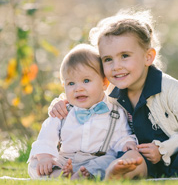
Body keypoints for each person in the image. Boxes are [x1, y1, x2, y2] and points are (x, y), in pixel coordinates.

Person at [49, 9, 178, 180]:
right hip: (143, 163)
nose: (116, 66)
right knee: (129, 157)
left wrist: (164, 150)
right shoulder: (111, 94)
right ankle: (116, 172)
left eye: (125, 56)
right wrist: (61, 103)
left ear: (148, 57)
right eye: (108, 59)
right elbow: (83, 96)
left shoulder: (172, 89)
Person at [27, 44, 137, 180]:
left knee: (110, 160)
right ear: (64, 86)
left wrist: (127, 143)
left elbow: (122, 136)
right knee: (35, 164)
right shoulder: (62, 111)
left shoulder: (115, 112)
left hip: (98, 158)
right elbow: (46, 135)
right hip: (66, 159)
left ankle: (85, 174)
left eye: (86, 81)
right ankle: (60, 174)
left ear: (104, 83)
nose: (78, 88)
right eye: (71, 83)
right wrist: (45, 157)